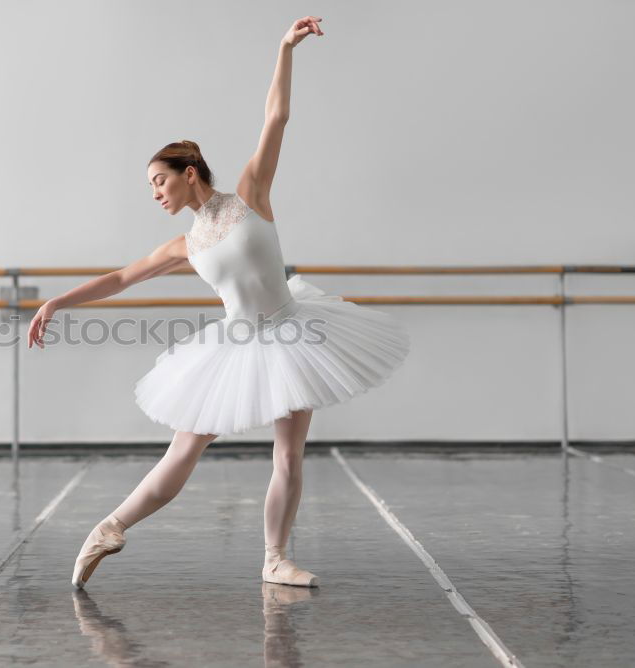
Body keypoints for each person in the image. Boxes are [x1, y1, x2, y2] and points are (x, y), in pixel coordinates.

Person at [27, 16, 411, 589]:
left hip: (294, 332)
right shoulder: (183, 244)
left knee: (288, 457)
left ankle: (275, 558)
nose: (155, 193)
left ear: (188, 173)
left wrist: (285, 47)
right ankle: (109, 527)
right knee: (183, 451)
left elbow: (275, 117)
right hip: (236, 346)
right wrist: (57, 302)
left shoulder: (252, 193)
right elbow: (120, 277)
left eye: (159, 181)